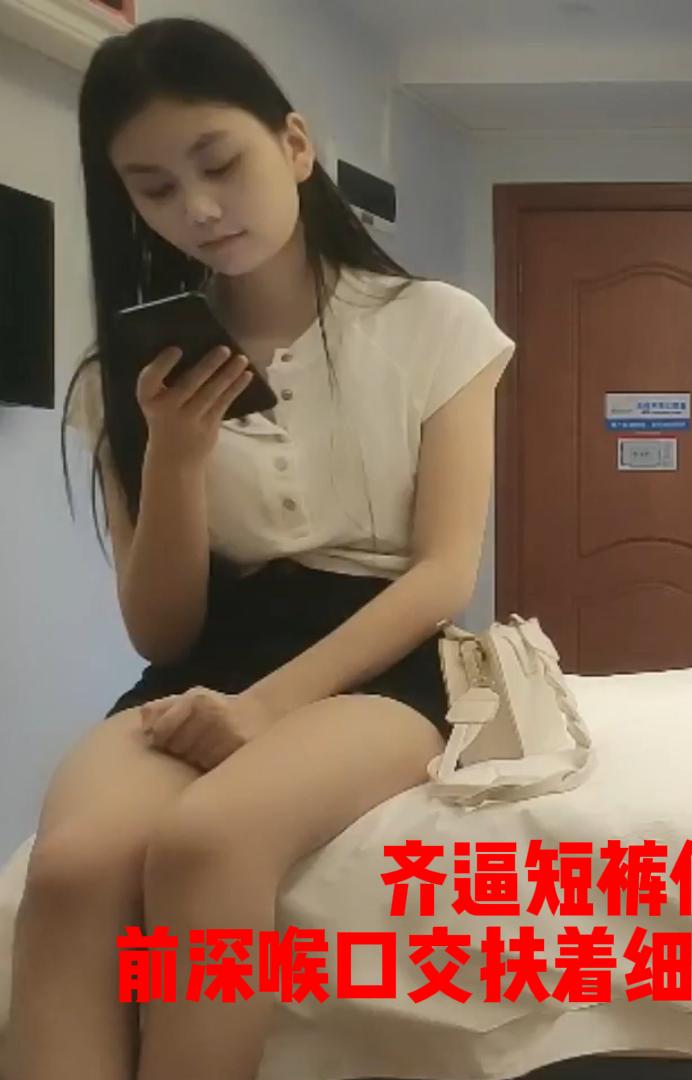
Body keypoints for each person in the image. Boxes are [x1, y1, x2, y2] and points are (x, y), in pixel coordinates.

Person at [9, 16, 512, 1080]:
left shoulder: (436, 326)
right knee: (74, 867)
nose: (197, 208)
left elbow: (442, 574)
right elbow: (161, 632)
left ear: (293, 145)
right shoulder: (128, 378)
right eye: (154, 188)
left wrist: (268, 708)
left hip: (381, 659)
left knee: (209, 841)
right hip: (206, 660)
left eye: (219, 163)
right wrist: (177, 457)